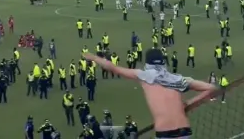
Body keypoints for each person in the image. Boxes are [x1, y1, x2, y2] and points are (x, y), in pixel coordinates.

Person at [83, 49, 217, 139]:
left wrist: (94, 57)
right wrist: (189, 103)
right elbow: (211, 88)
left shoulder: (143, 76)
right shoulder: (178, 79)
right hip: (185, 131)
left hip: (165, 133)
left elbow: (113, 68)